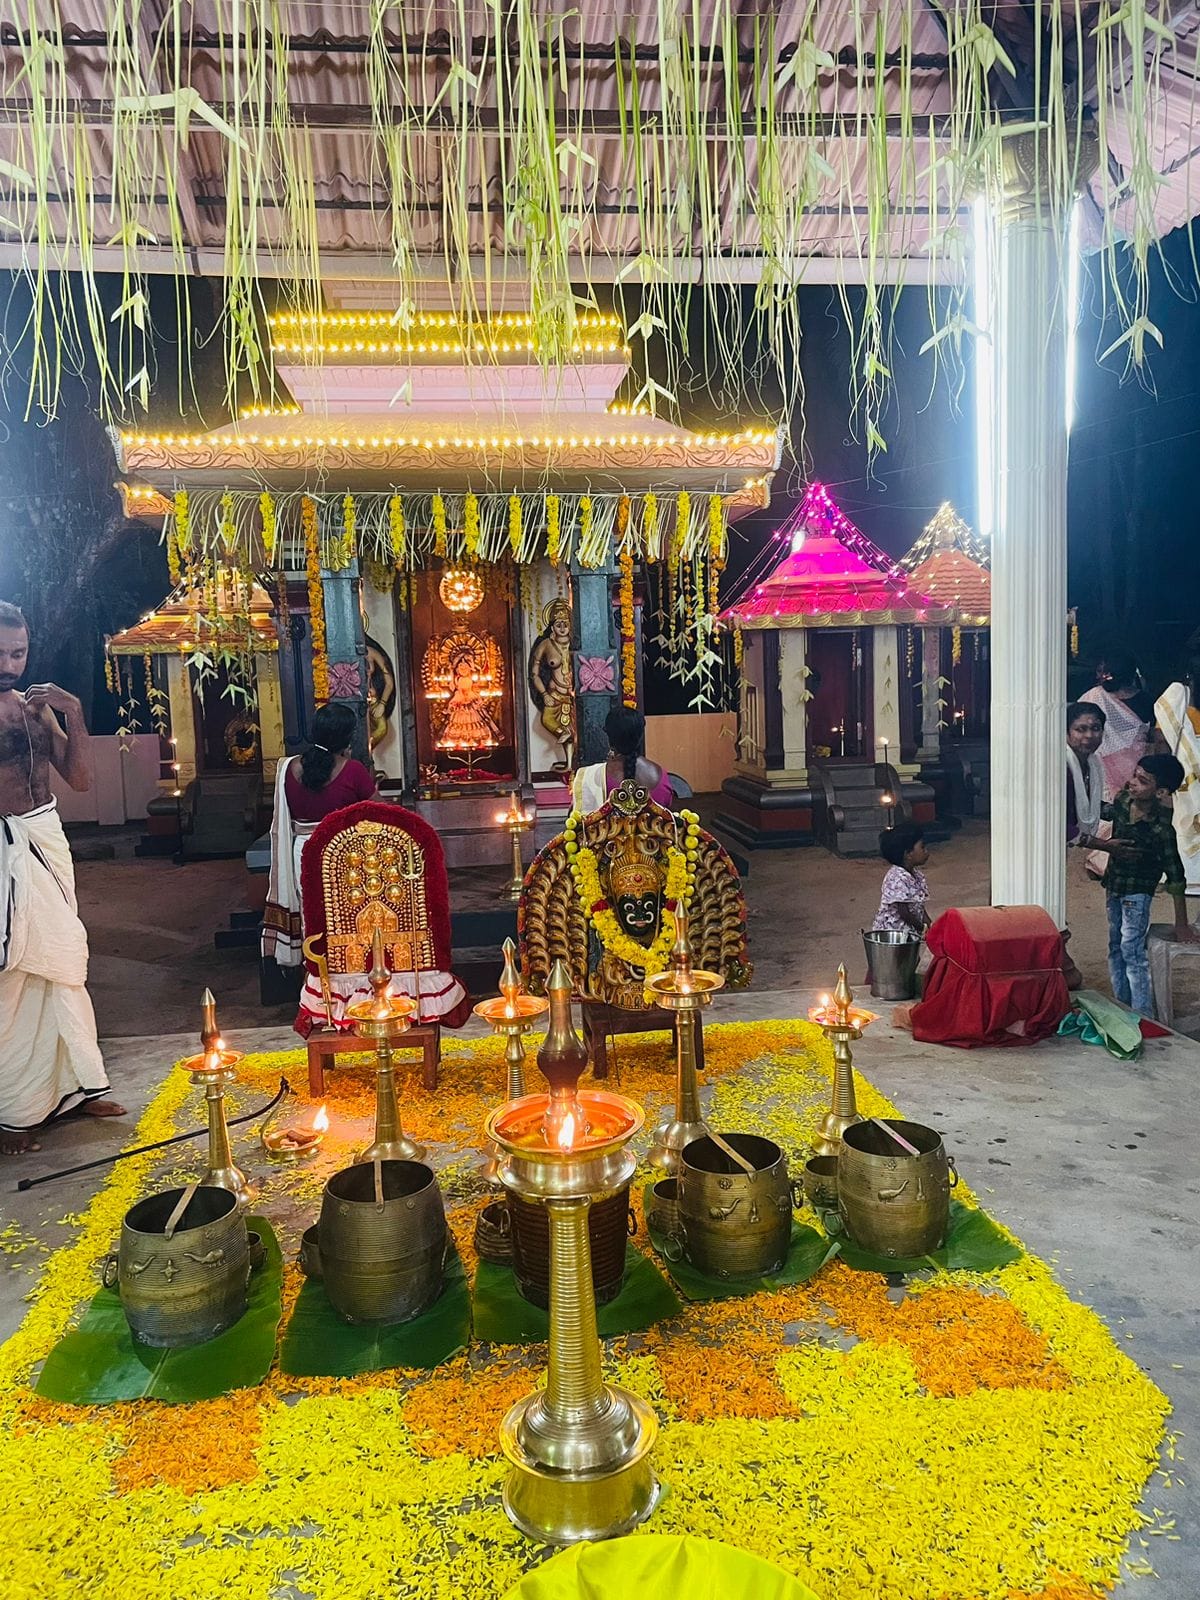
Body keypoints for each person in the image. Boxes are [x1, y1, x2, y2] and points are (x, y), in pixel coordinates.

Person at [0, 601, 124, 1155]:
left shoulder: (35, 710)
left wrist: (72, 711)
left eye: (19, 652)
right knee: (14, 976)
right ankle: (14, 1111)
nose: (10, 662)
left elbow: (76, 778)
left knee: (64, 965)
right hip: (5, 849)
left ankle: (80, 1086)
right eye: (1, 653)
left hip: (44, 838)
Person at [1073, 753, 1200, 1014]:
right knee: (1115, 945)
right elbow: (1103, 811)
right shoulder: (1122, 800)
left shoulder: (1161, 829)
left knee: (1132, 949)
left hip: (1138, 893)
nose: (1132, 782)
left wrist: (1181, 924)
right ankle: (1121, 1003)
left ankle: (1143, 1013)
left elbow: (1176, 875)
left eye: (1142, 781)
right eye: (1134, 775)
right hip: (1115, 884)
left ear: (1161, 791)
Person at [261, 703, 377, 966]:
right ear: (347, 736)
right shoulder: (353, 770)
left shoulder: (288, 768)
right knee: (346, 913)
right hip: (344, 853)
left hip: (303, 851)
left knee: (311, 911)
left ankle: (313, 971)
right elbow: (379, 811)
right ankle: (349, 968)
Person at [1154, 656, 1200, 895]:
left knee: (1183, 827)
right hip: (1186, 779)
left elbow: (1161, 744)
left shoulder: (1174, 704)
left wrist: (1162, 781)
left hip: (1184, 780)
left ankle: (1190, 880)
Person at [571, 706, 673, 813]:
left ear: (609, 736)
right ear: (640, 735)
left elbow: (578, 820)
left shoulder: (588, 776)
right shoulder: (661, 775)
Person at [1080, 652, 1154, 798]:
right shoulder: (1145, 699)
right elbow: (1152, 733)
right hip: (1141, 767)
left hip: (1103, 767)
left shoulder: (1092, 696)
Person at [872, 823, 931, 935]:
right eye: (922, 847)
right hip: (891, 934)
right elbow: (904, 913)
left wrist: (930, 926)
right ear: (908, 854)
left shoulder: (917, 876)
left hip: (906, 933)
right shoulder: (897, 878)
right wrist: (922, 927)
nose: (926, 851)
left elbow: (920, 908)